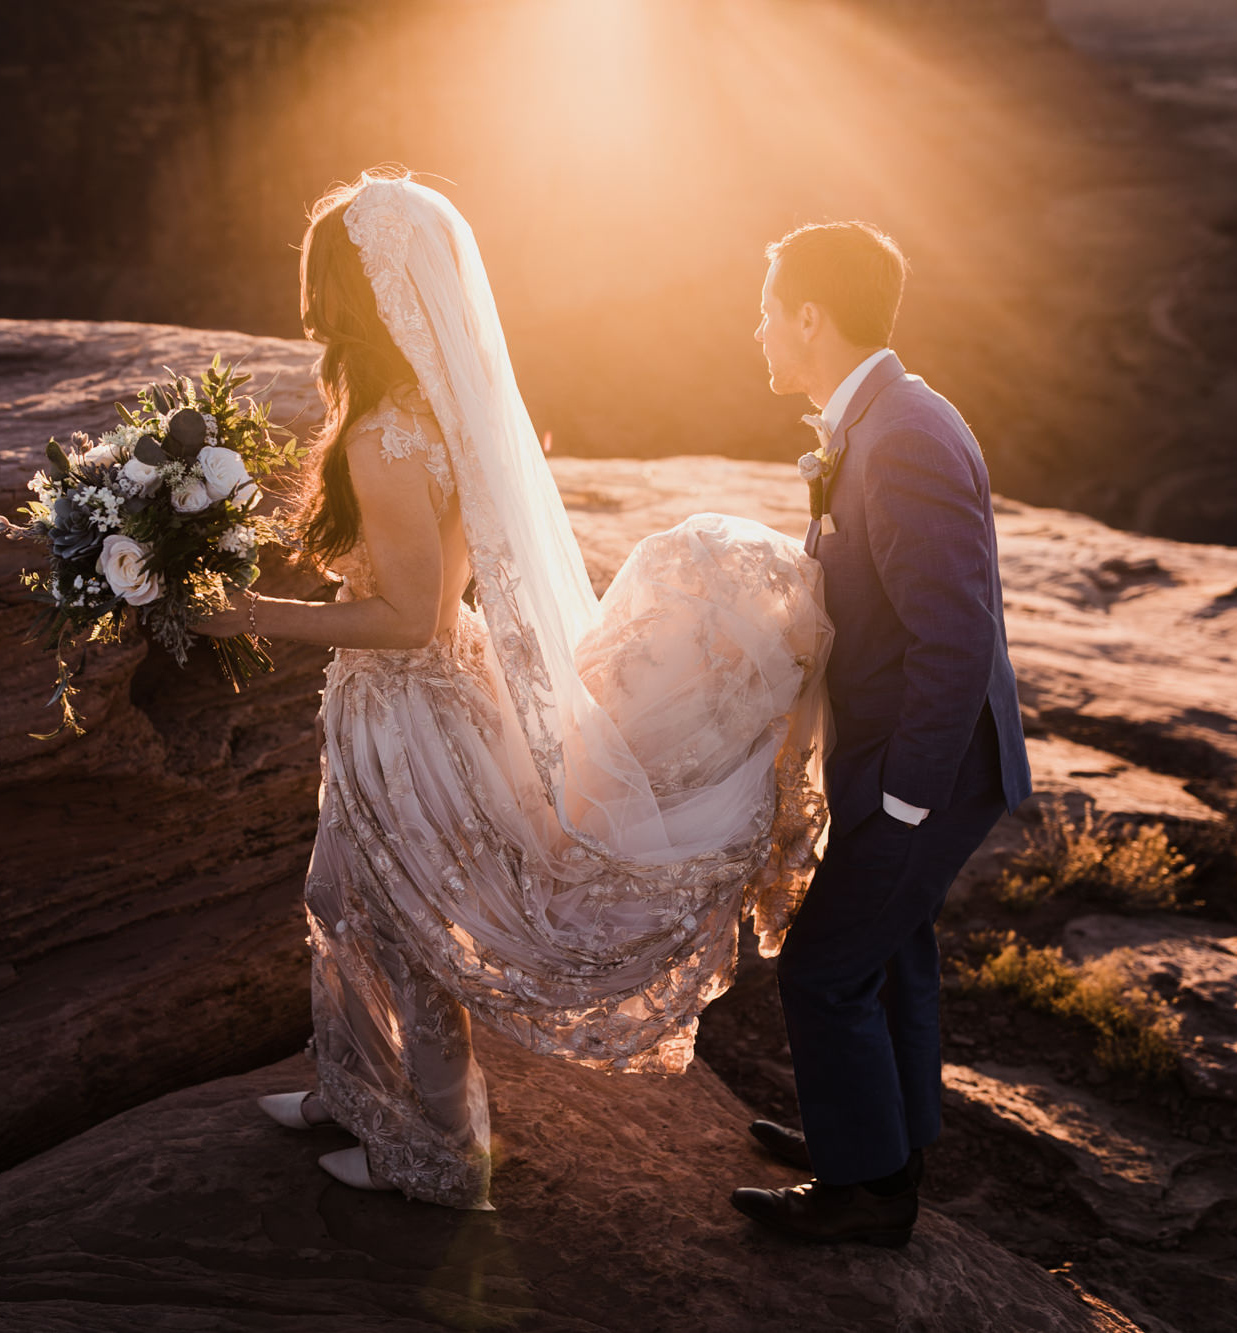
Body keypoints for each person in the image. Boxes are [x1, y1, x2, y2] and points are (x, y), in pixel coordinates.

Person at [199, 170, 833, 1210]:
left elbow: (408, 616)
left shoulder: (381, 435)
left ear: (349, 292)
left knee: (405, 925)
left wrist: (249, 615)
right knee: (343, 897)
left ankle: (443, 1155)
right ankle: (350, 1085)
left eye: (318, 278)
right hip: (437, 685)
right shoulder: (431, 407)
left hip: (404, 707)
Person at [728, 222, 1032, 1245]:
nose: (757, 328)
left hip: (927, 767)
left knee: (821, 964)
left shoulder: (901, 435)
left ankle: (864, 1199)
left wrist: (903, 799)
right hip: (902, 758)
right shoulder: (879, 418)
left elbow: (954, 637)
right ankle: (879, 1146)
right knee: (889, 951)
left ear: (810, 317)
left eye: (768, 308)